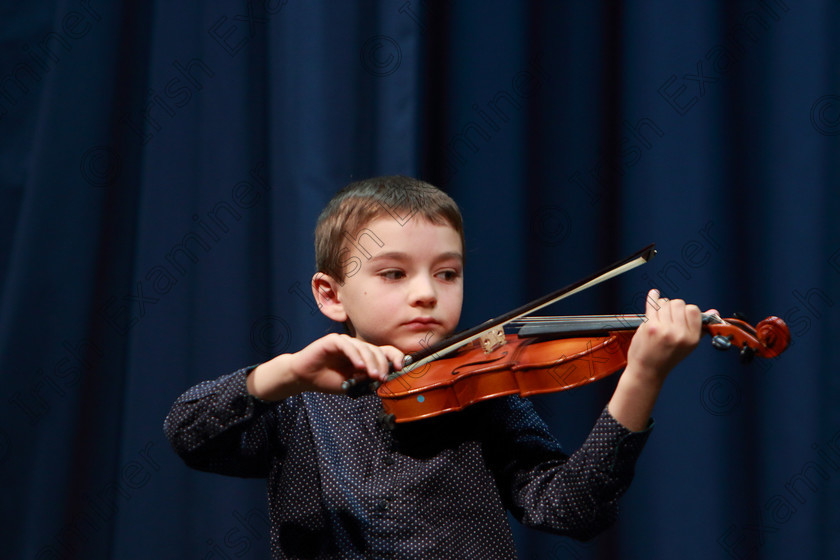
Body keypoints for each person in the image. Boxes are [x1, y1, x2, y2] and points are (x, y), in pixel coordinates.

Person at [164, 176, 711, 559]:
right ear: (331, 295)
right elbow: (189, 434)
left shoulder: (482, 392)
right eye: (393, 274)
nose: (426, 293)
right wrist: (281, 374)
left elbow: (570, 511)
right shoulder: (299, 397)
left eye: (447, 273)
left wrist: (641, 377)